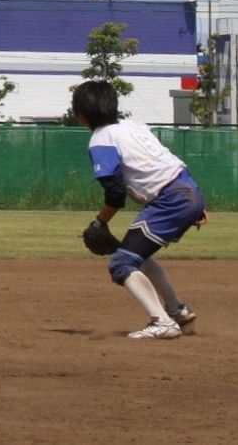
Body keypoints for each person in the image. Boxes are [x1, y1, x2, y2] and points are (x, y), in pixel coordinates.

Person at [71, 79, 208, 340]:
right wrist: (196, 204)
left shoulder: (101, 140)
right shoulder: (133, 126)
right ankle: (177, 311)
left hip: (170, 199)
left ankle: (162, 322)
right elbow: (166, 161)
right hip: (186, 188)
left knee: (121, 262)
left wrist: (99, 222)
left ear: (81, 113)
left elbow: (115, 194)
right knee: (138, 255)